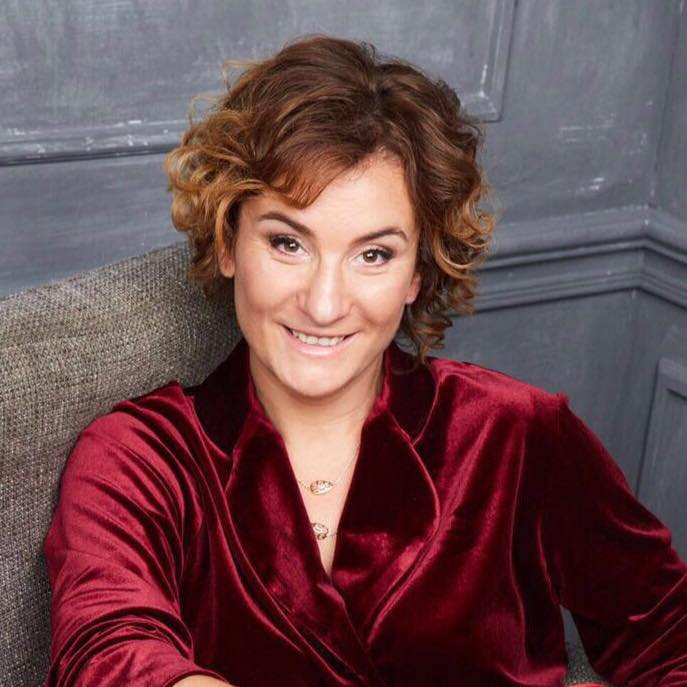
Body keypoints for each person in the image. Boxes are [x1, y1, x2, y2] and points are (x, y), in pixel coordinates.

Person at [42, 34, 687, 687]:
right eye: (288, 242)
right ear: (228, 241)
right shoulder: (139, 458)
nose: (324, 304)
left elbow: (669, 633)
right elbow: (108, 654)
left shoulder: (517, 433)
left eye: (373, 254)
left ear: (416, 272)